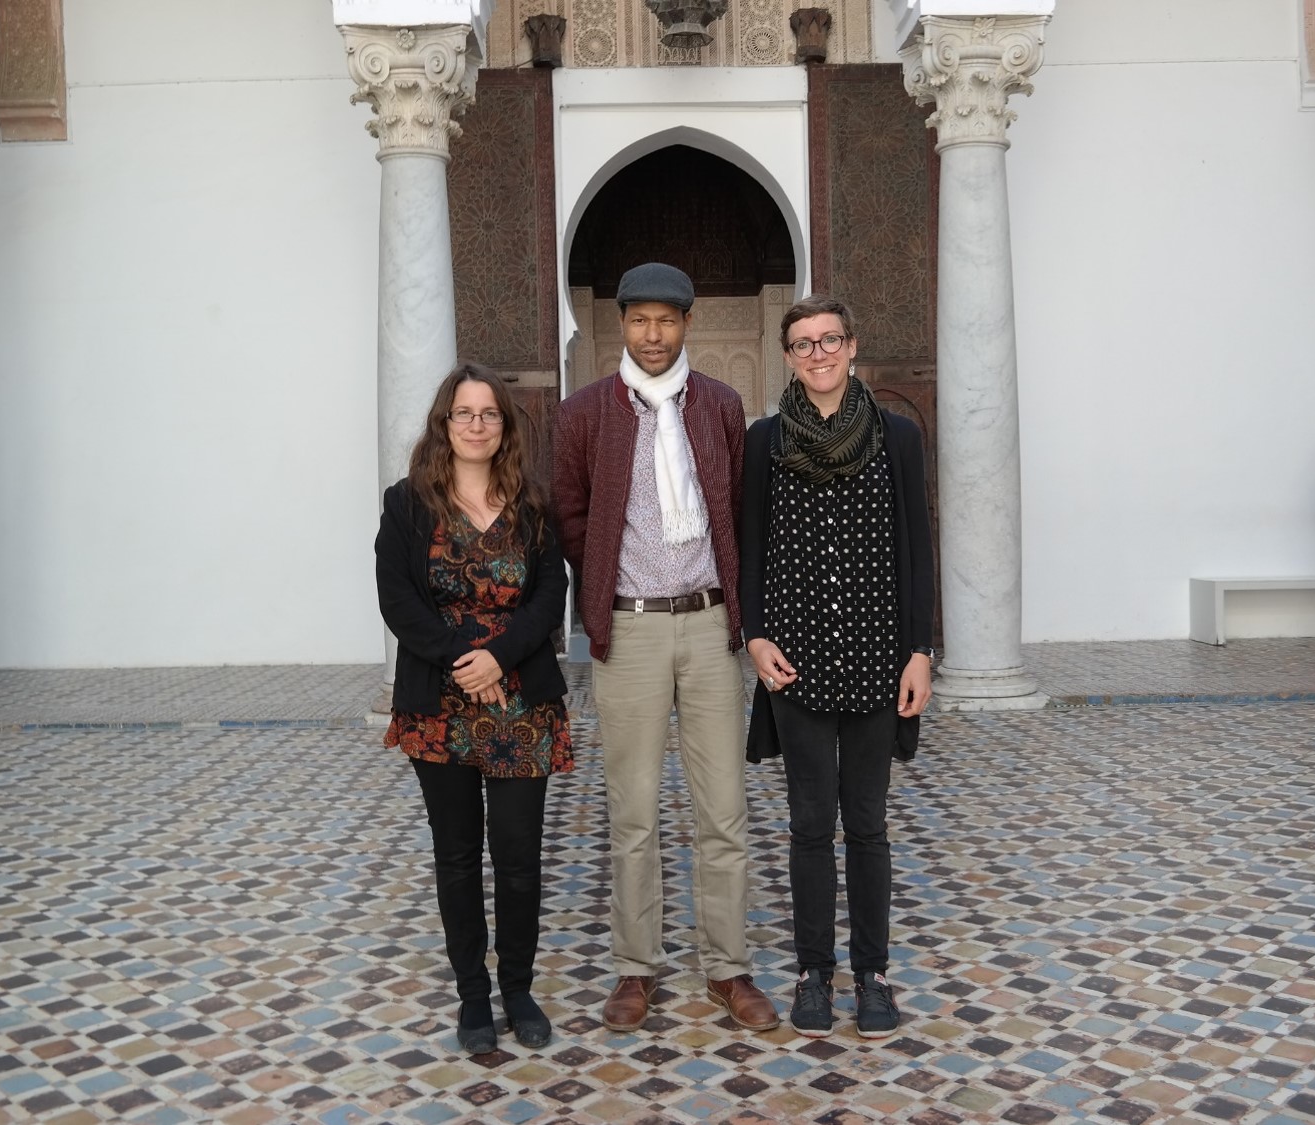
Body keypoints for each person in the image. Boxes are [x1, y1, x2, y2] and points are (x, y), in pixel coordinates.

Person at [551, 262, 778, 1033]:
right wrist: (606, 590)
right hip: (632, 629)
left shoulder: (718, 404)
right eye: (640, 320)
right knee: (634, 811)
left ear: (686, 323)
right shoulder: (584, 412)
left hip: (710, 627)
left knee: (724, 810)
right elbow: (571, 517)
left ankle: (728, 966)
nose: (653, 334)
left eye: (667, 320)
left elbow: (737, 507)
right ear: (621, 324)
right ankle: (635, 967)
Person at [741, 295, 934, 1040]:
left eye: (829, 340)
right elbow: (751, 544)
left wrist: (919, 650)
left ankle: (872, 974)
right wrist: (755, 636)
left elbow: (917, 548)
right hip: (796, 662)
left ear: (852, 346)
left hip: (877, 659)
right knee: (810, 824)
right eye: (803, 343)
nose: (817, 353)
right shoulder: (764, 442)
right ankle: (813, 973)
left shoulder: (897, 436)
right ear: (787, 356)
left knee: (868, 824)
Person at [375, 363, 572, 1055]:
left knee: (518, 858)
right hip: (440, 705)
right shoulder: (407, 504)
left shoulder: (531, 504)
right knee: (457, 857)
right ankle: (472, 995)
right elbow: (398, 600)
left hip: (521, 705)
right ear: (444, 422)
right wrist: (467, 660)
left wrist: (500, 658)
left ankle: (517, 989)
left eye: (489, 413)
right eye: (464, 412)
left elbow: (550, 594)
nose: (477, 424)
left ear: (504, 426)